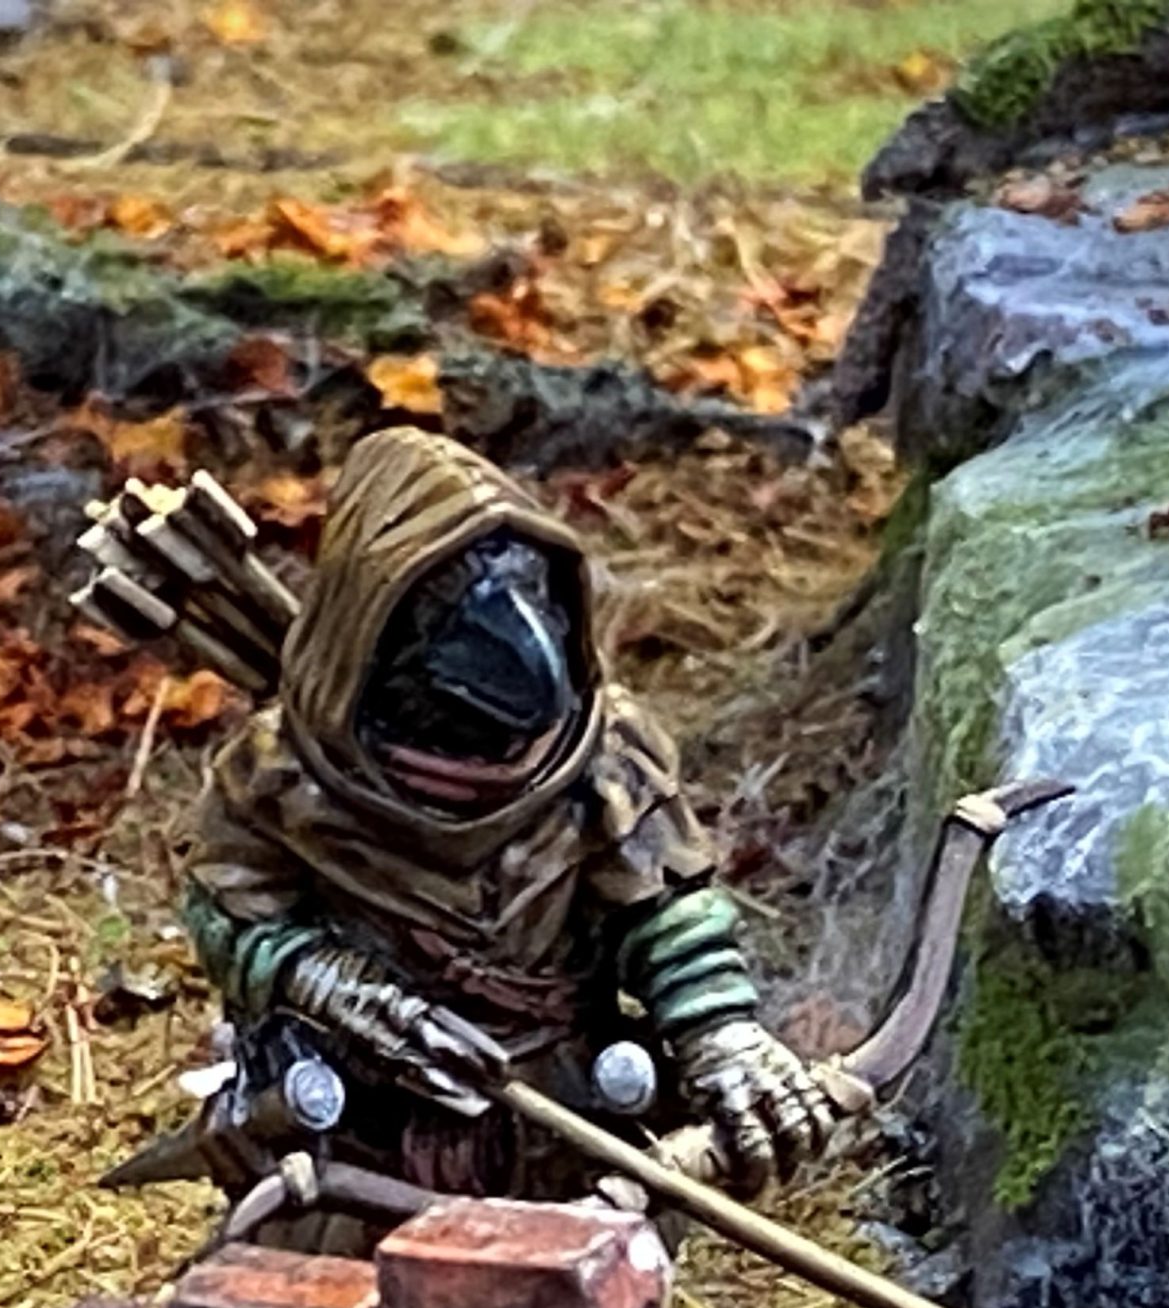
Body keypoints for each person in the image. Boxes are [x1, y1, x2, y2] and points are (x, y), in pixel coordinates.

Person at [160, 428, 829, 1250]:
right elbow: (228, 911)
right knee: (323, 1277)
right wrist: (322, 978)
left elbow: (662, 910)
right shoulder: (284, 775)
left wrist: (719, 1031)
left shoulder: (605, 757)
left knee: (585, 1278)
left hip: (561, 1108)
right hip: (368, 1115)